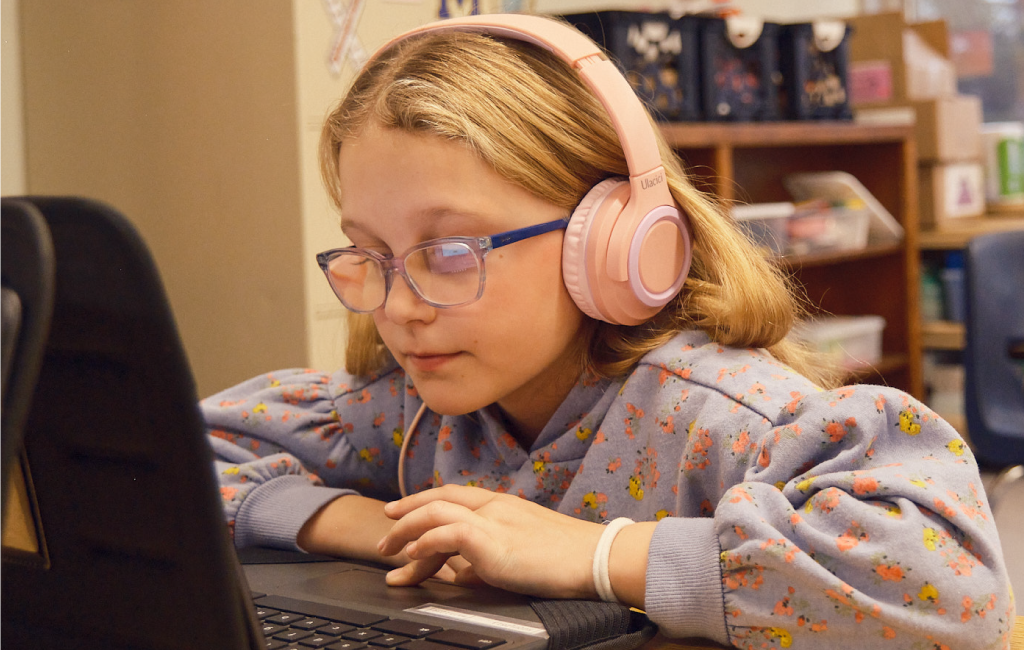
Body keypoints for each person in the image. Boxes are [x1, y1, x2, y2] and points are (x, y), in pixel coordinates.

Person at [202, 13, 1014, 649]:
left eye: (450, 252)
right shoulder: (417, 406)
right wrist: (370, 527)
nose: (400, 305)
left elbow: (951, 588)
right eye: (368, 253)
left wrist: (594, 555)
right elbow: (174, 451)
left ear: (617, 244)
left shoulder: (716, 414)